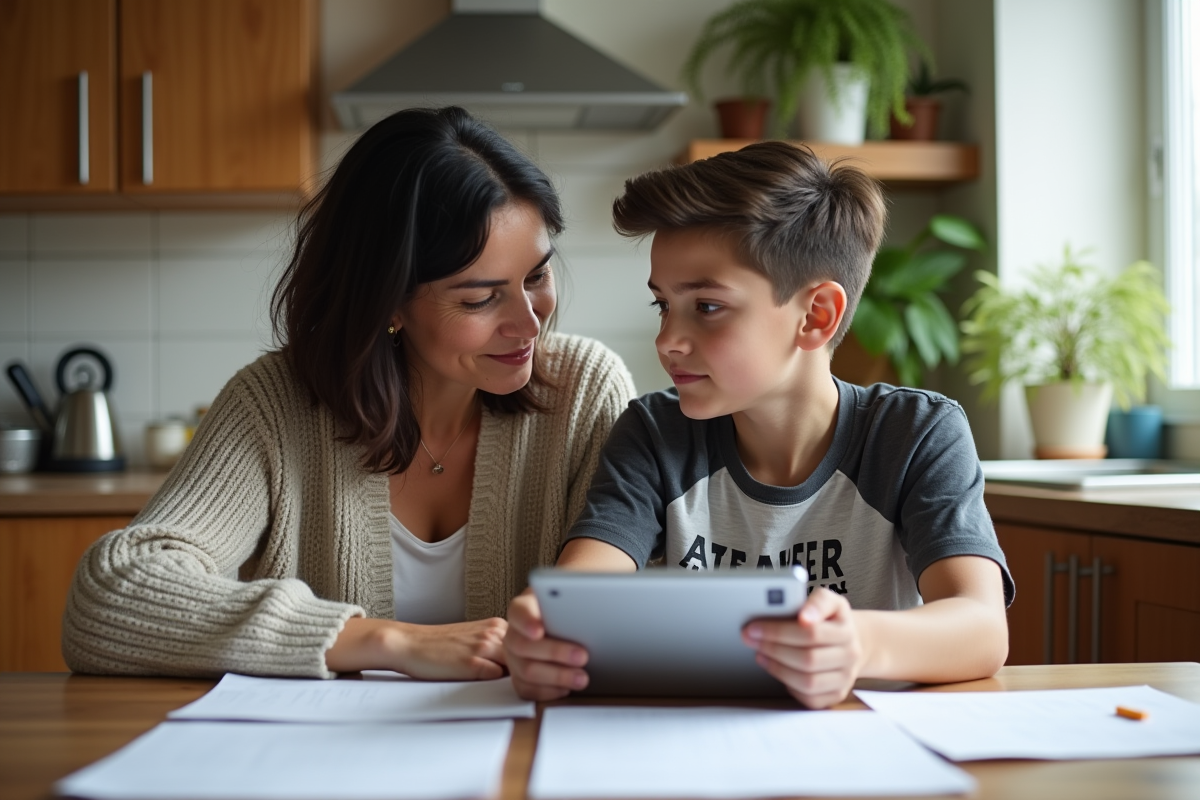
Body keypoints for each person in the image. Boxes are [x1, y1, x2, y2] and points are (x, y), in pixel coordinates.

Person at [62, 107, 635, 680]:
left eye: (536, 276)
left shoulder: (585, 392)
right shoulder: (275, 405)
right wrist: (388, 641)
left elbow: (625, 606)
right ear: (388, 299)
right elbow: (108, 595)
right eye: (479, 299)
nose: (530, 324)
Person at [504, 141, 1014, 708]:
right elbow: (585, 593)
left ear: (816, 315)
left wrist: (857, 645)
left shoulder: (916, 433)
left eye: (707, 307)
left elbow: (982, 628)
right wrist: (548, 630)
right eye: (663, 305)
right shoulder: (654, 433)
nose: (667, 340)